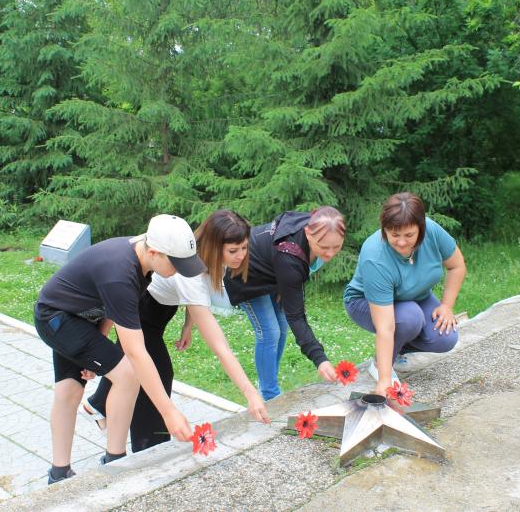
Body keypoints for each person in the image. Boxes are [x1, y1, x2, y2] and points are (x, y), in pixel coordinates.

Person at [33, 214, 205, 484]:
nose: (181, 270)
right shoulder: (121, 272)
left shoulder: (141, 263)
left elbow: (111, 308)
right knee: (127, 374)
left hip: (77, 317)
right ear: (154, 251)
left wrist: (95, 348)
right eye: (177, 263)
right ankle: (115, 461)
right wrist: (169, 412)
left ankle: (59, 472)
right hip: (57, 319)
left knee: (70, 388)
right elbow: (135, 351)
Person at [82, 210, 271, 451]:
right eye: (233, 251)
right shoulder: (187, 268)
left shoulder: (209, 262)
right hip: (142, 311)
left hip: (159, 314)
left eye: (244, 248)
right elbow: (219, 345)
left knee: (139, 370)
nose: (240, 256)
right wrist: (250, 393)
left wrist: (187, 325)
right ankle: (150, 450)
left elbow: (197, 298)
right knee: (157, 375)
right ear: (213, 247)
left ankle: (97, 404)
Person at [344, 192, 467, 396]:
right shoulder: (375, 257)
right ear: (384, 230)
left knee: (445, 338)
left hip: (415, 296)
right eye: (394, 235)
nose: (401, 242)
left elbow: (457, 266)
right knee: (410, 317)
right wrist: (384, 380)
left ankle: (398, 348)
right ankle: (380, 364)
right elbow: (385, 326)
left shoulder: (433, 231)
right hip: (364, 302)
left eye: (409, 235)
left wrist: (446, 306)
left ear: (421, 227)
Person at [225, 207, 346, 401]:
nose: (330, 254)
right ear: (308, 232)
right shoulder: (289, 257)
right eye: (323, 247)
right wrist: (320, 359)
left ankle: (268, 381)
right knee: (269, 333)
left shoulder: (318, 223)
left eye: (336, 247)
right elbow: (296, 315)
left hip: (274, 274)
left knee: (281, 329)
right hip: (246, 275)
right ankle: (270, 394)